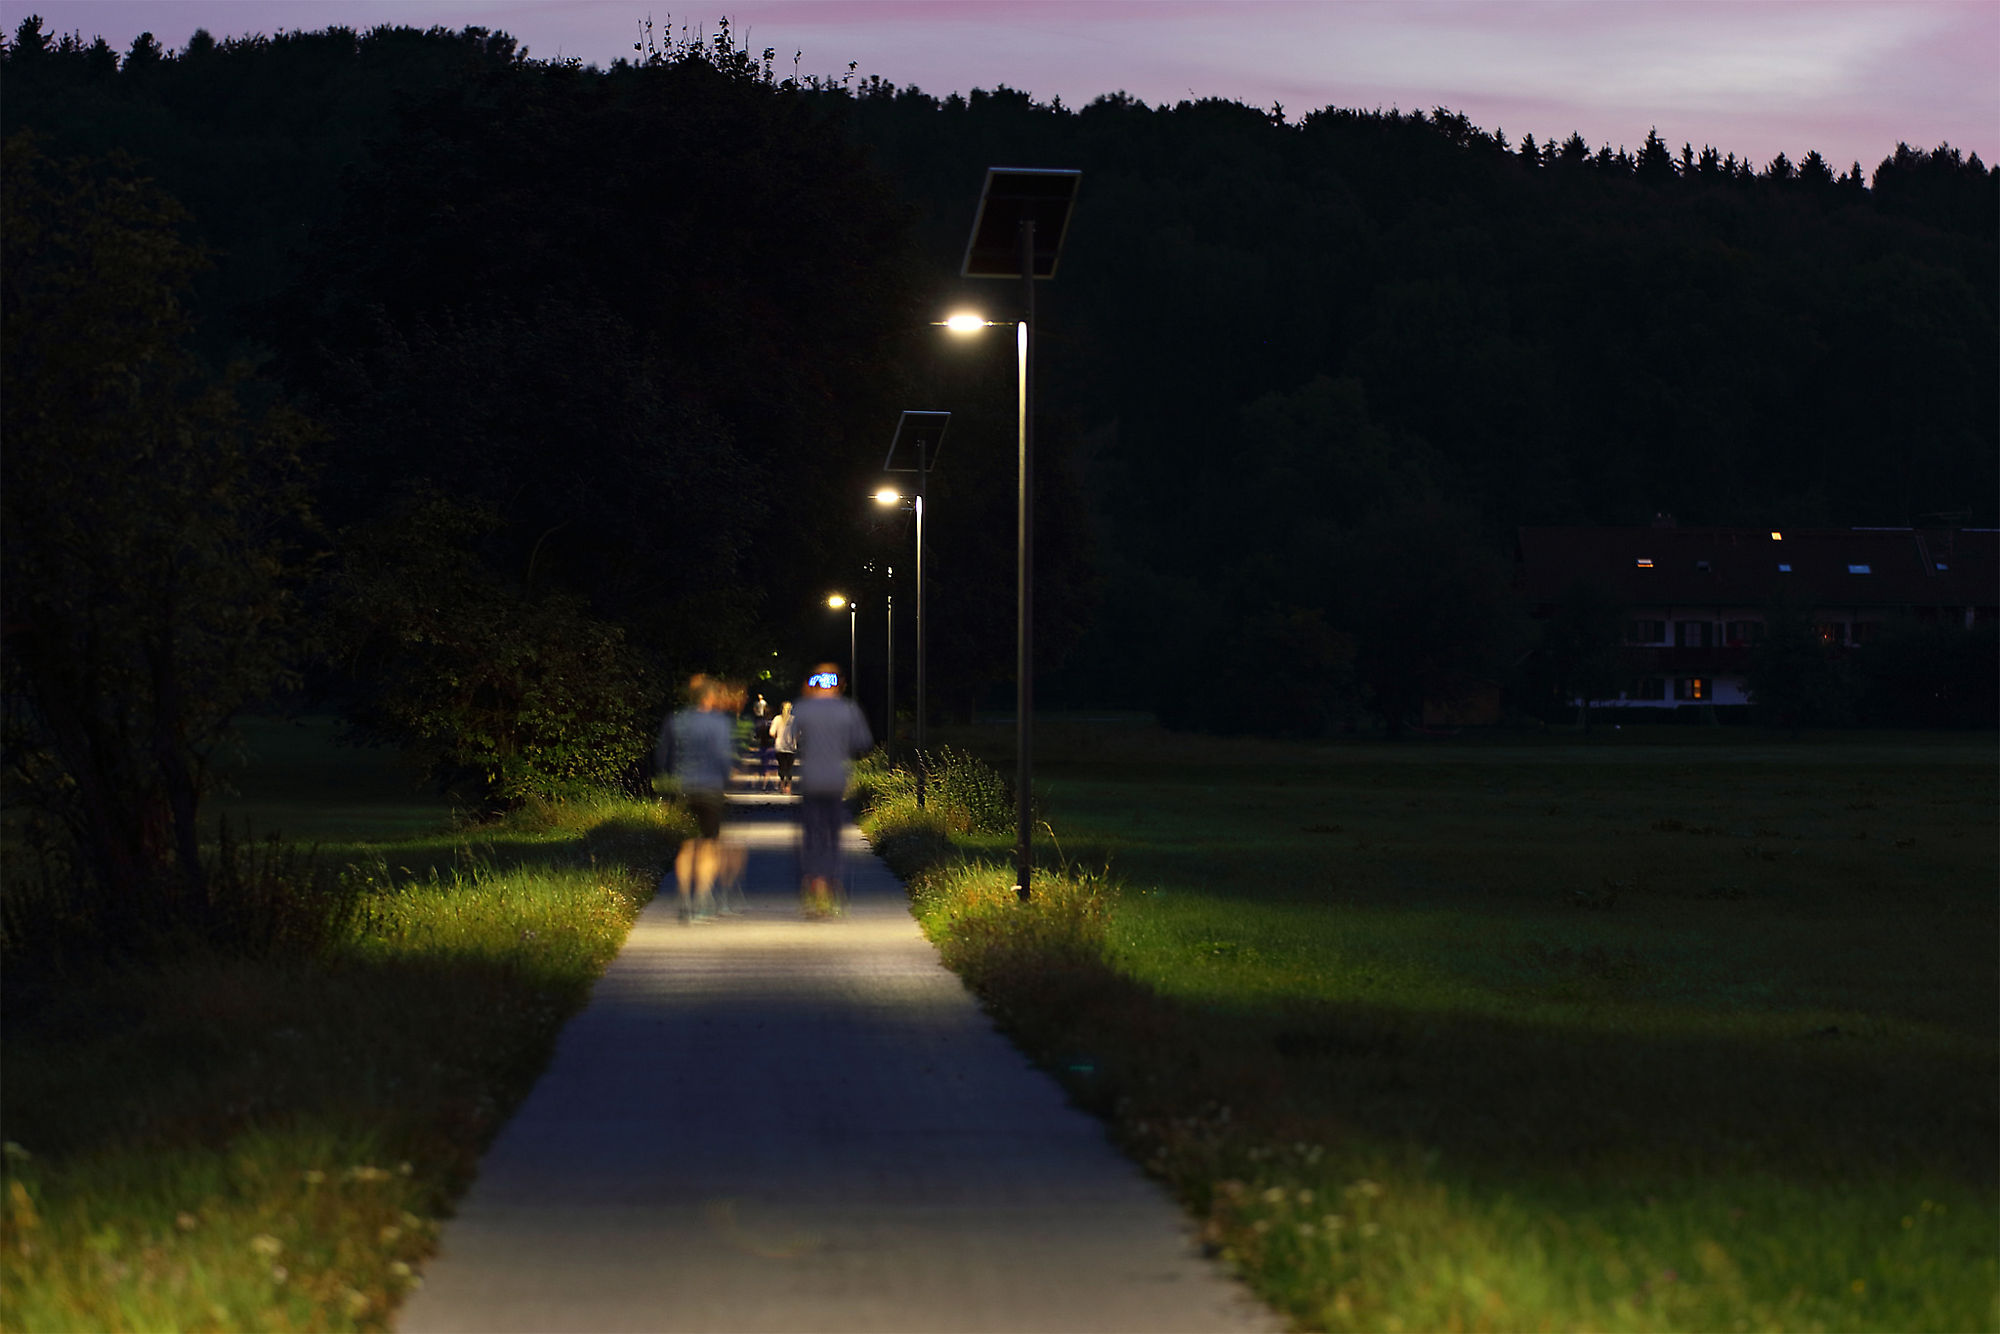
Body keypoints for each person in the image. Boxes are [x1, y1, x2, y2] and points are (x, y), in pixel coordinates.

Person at [791, 662, 872, 918]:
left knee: (812, 835)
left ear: (813, 682)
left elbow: (792, 739)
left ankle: (812, 886)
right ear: (841, 683)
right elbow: (863, 743)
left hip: (811, 780)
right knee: (832, 836)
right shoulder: (849, 709)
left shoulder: (803, 707)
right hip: (836, 780)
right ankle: (832, 887)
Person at [655, 675, 737, 923]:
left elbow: (662, 755)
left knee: (687, 844)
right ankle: (701, 900)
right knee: (709, 844)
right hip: (710, 787)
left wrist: (666, 784)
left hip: (683, 787)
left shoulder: (675, 720)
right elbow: (723, 756)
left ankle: (683, 898)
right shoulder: (719, 722)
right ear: (710, 697)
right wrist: (727, 777)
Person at [769, 699, 799, 795]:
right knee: (789, 767)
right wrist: (795, 740)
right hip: (791, 747)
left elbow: (771, 732)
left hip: (780, 746)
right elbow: (798, 733)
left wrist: (777, 737)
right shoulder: (794, 720)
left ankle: (782, 785)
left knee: (782, 766)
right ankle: (788, 786)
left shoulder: (777, 719)